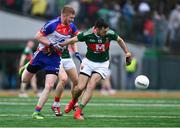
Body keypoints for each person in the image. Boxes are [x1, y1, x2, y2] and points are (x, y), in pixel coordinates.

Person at [60, 19, 132, 120]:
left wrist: (126, 52)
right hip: (88, 62)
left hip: (102, 64)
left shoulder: (110, 33)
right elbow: (73, 40)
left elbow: (120, 40)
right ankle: (73, 101)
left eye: (107, 31)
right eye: (104, 31)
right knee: (80, 87)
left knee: (91, 85)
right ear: (97, 29)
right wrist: (61, 44)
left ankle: (78, 112)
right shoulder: (87, 34)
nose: (106, 33)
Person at [21, 5, 78, 119]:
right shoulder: (52, 24)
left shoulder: (71, 26)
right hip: (41, 55)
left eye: (73, 18)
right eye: (71, 17)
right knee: (24, 80)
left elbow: (76, 38)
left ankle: (36, 112)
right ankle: (26, 66)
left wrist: (72, 47)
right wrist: (51, 44)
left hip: (55, 58)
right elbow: (38, 36)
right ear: (63, 15)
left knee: (49, 85)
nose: (72, 20)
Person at [51, 42, 82, 116]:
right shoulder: (51, 30)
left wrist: (76, 52)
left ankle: (74, 103)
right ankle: (56, 104)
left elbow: (73, 41)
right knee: (63, 79)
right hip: (56, 58)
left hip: (67, 57)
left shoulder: (70, 30)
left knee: (76, 81)